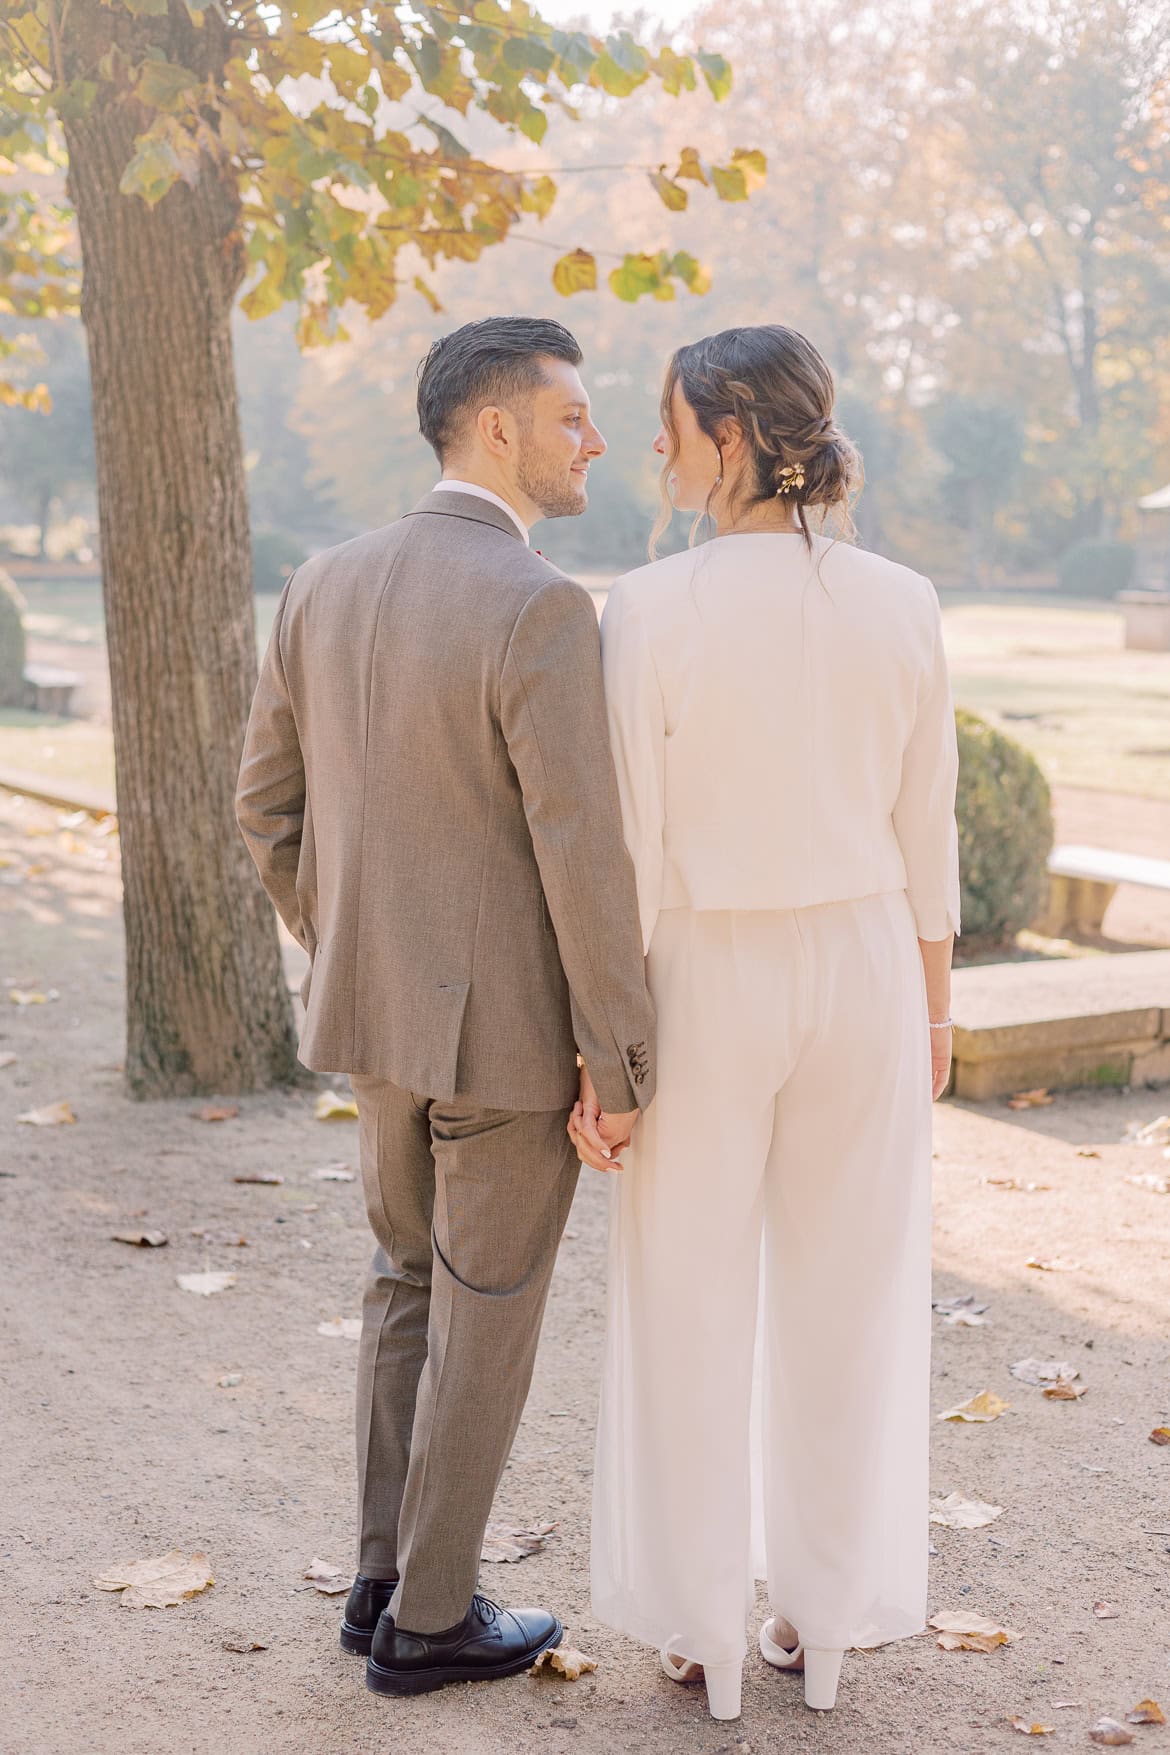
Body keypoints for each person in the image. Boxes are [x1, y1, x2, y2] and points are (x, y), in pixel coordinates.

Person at [236, 316, 655, 1697]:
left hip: (373, 1027)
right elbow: (579, 860)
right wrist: (620, 1060)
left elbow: (265, 810)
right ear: (496, 430)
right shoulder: (537, 603)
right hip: (506, 1048)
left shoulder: (322, 581)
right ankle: (426, 1620)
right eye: (573, 416)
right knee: (483, 1310)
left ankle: (376, 1580)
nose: (592, 439)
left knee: (402, 1285)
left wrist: (343, 940)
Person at [576, 324, 960, 1722]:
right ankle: (822, 1615)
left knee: (686, 1298)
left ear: (728, 436)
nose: (655, 443)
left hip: (701, 977)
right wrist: (930, 1015)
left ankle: (701, 1630)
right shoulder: (902, 599)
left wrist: (599, 1061)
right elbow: (930, 834)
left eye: (667, 419)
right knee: (842, 1303)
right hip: (862, 969)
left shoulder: (653, 605)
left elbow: (624, 849)